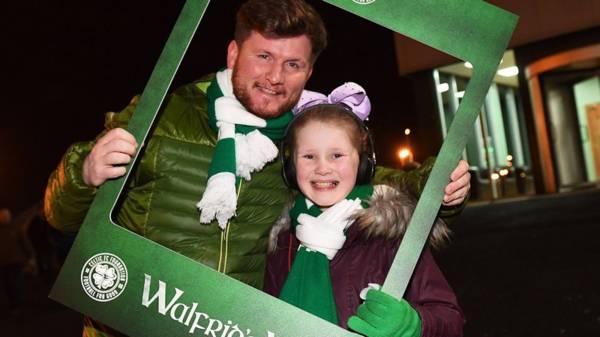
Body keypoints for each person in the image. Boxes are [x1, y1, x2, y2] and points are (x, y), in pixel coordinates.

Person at [44, 0, 469, 335]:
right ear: (233, 52)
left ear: (309, 72)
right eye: (263, 56)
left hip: (229, 328)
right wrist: (83, 173)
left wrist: (442, 186)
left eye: (293, 64)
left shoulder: (300, 145)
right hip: (130, 324)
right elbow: (61, 214)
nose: (275, 77)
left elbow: (369, 178)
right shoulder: (161, 114)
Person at [264, 97, 464, 336]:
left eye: (337, 155)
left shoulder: (390, 234)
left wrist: (414, 324)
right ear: (290, 167)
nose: (322, 168)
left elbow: (450, 318)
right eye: (309, 156)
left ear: (362, 164)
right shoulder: (282, 241)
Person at [0, 208, 36, 316]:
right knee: (8, 284)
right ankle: (14, 303)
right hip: (3, 263)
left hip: (16, 260)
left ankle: (17, 304)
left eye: (6, 216)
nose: (5, 218)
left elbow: (25, 242)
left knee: (16, 282)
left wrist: (31, 256)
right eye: (3, 216)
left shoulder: (16, 228)